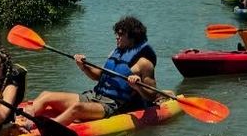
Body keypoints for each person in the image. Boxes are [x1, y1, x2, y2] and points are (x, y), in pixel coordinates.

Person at [25, 16, 159, 125]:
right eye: (116, 34)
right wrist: (83, 66)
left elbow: (152, 95)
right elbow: (98, 76)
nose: (116, 37)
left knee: (77, 108)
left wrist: (137, 86)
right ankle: (25, 121)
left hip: (112, 106)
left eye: (121, 35)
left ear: (132, 38)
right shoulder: (115, 53)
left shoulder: (144, 64)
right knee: (46, 95)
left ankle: (48, 129)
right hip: (94, 96)